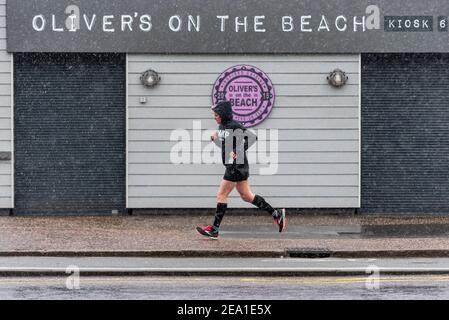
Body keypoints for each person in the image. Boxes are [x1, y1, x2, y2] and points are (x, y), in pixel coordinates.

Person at [196, 100, 286, 239]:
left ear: (223, 114)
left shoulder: (234, 125)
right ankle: (276, 214)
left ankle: (214, 229)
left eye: (216, 114)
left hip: (236, 166)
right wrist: (216, 140)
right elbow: (226, 147)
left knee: (221, 194)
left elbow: (252, 138)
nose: (214, 117)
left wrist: (238, 150)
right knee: (247, 196)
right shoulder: (222, 126)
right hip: (237, 166)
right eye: (214, 114)